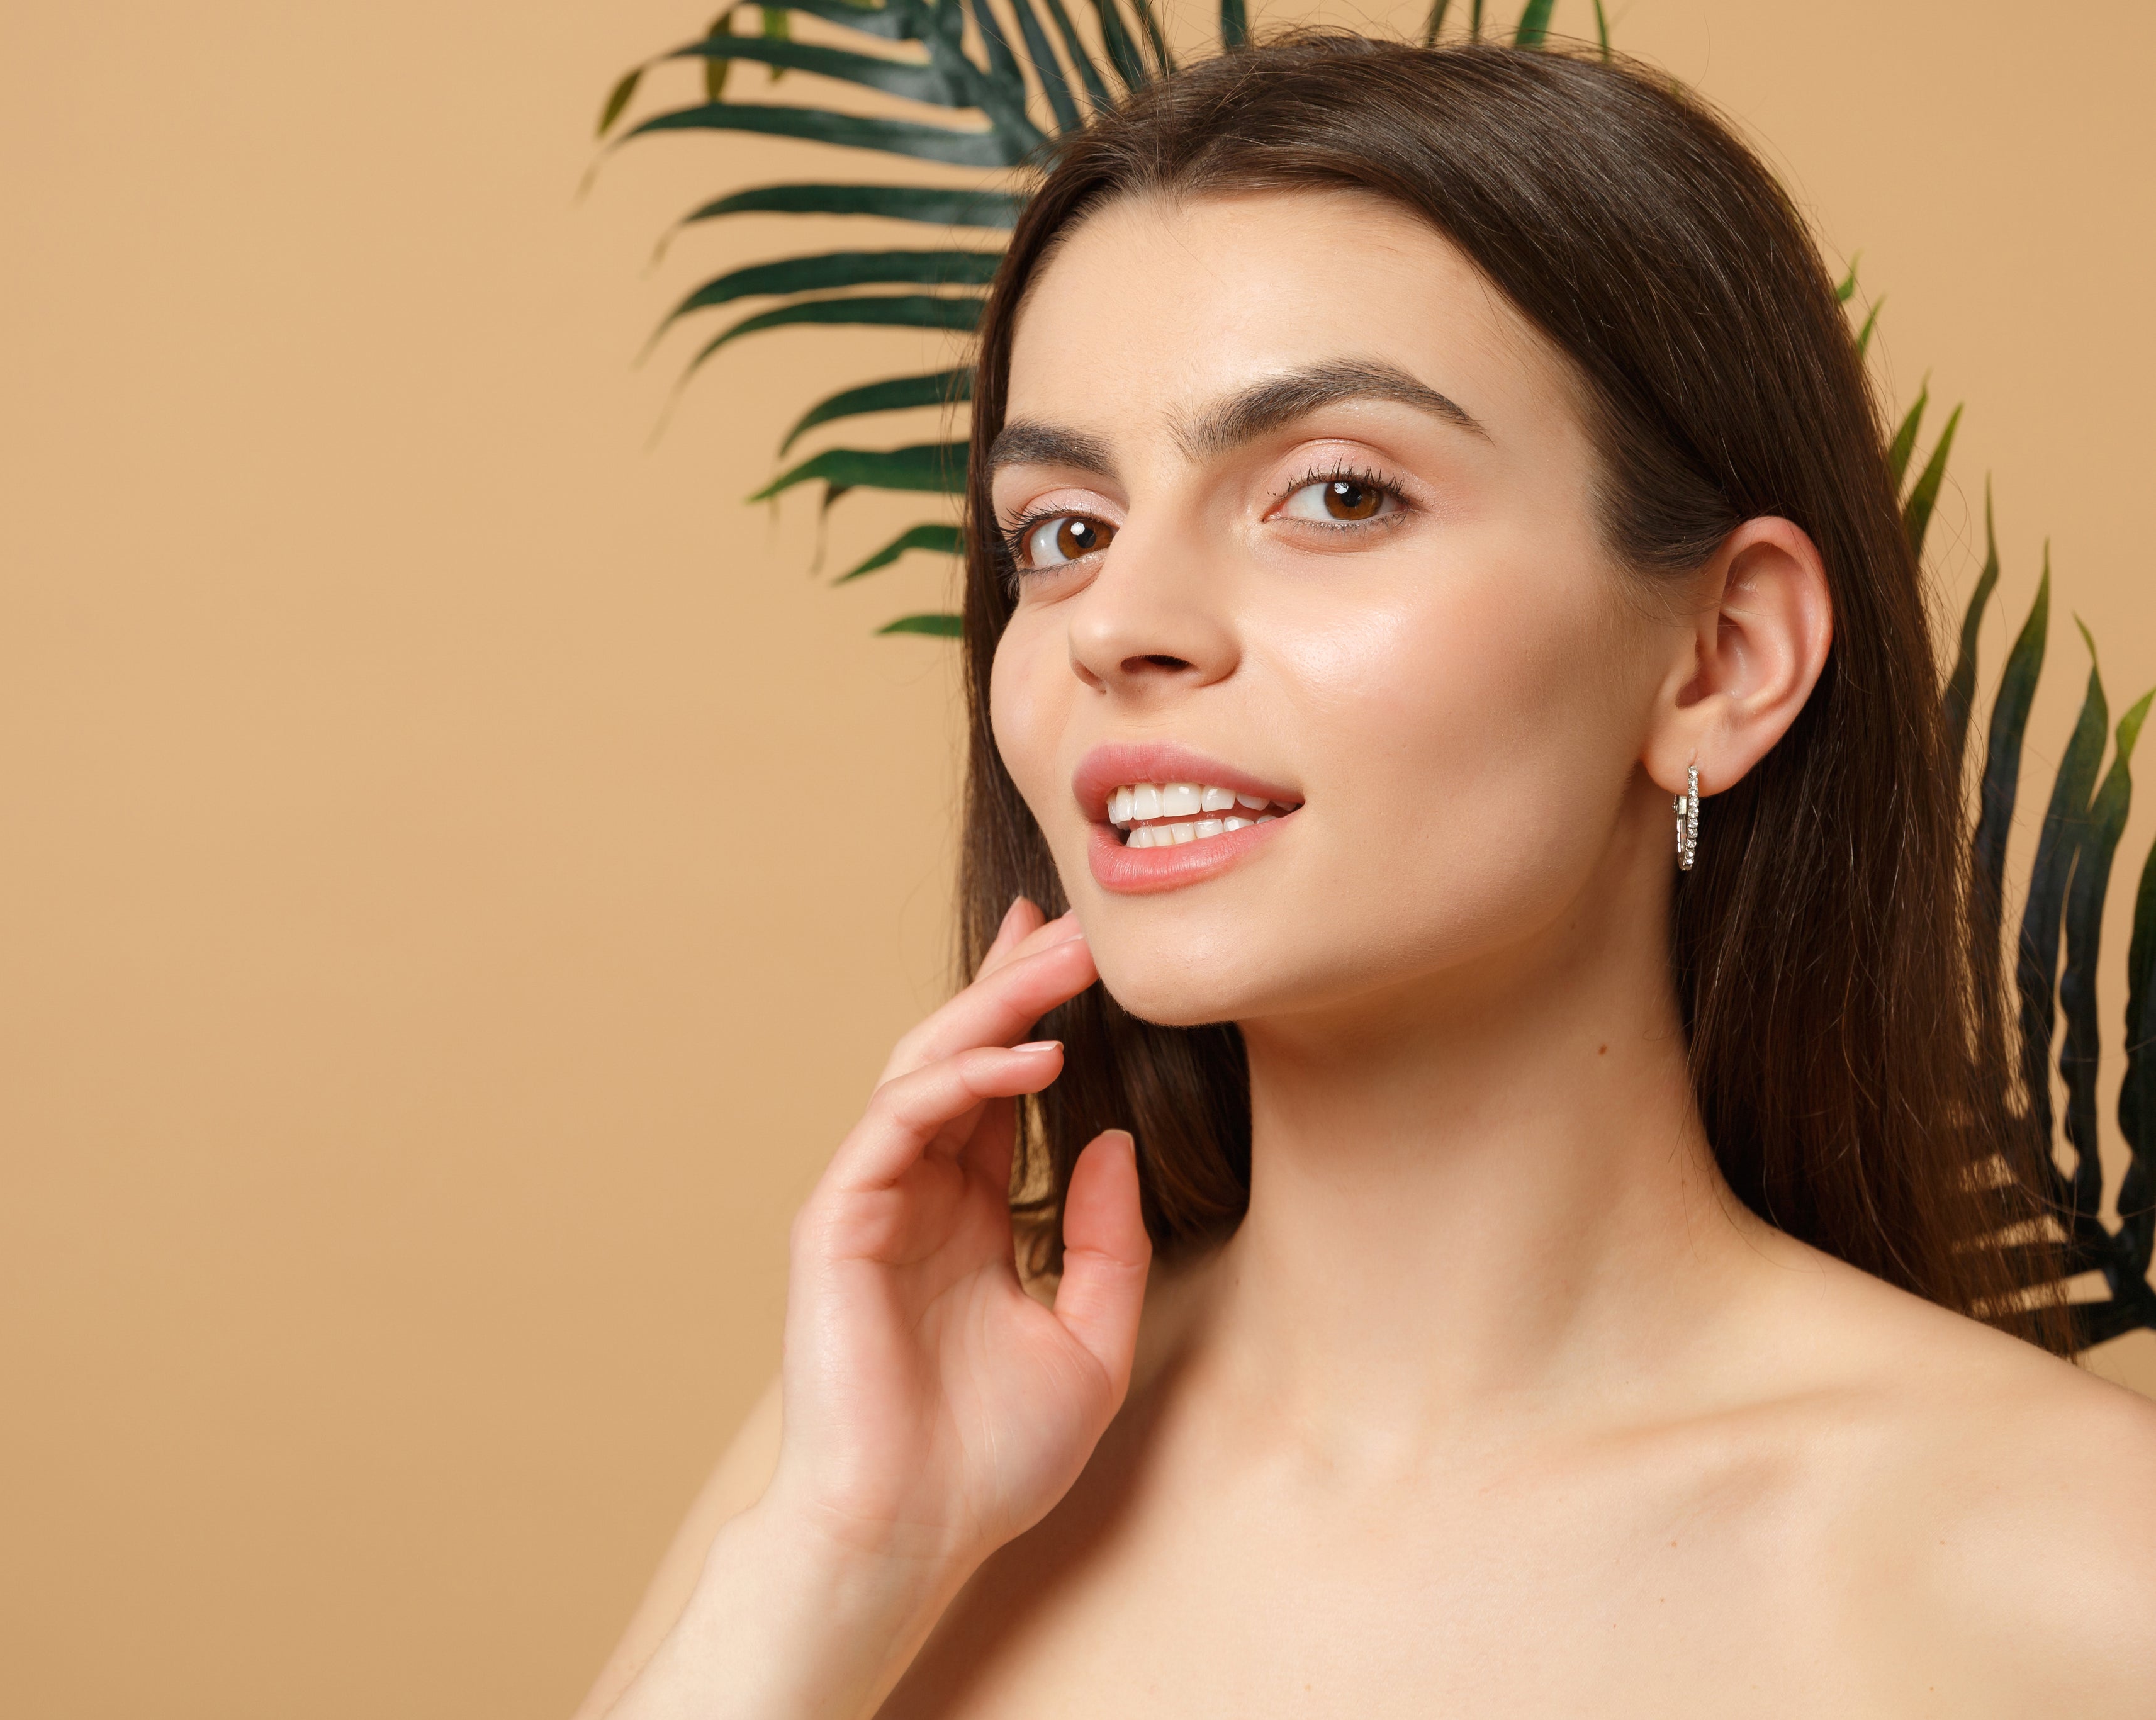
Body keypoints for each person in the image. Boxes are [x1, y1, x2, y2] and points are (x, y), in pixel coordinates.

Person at [578, 31, 2156, 1716]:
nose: (1115, 625)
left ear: (1718, 660)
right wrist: (838, 1558)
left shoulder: (2080, 1568)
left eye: (1334, 494)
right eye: (1061, 531)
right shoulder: (880, 1472)